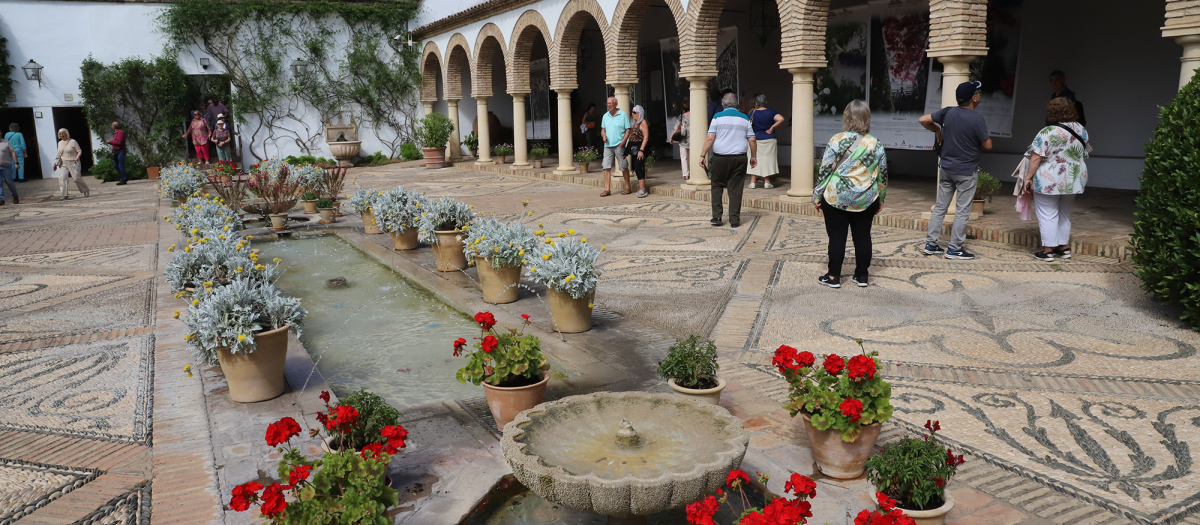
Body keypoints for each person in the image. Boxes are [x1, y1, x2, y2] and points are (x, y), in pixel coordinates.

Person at [813, 100, 888, 288]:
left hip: (836, 197)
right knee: (863, 237)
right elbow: (883, 174)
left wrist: (817, 194)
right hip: (866, 198)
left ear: (847, 117)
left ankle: (833, 277)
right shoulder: (876, 144)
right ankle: (862, 276)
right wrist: (881, 198)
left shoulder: (836, 140)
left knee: (837, 237)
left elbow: (825, 170)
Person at [917, 80, 992, 260]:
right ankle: (954, 249)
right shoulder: (977, 119)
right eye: (978, 93)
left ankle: (931, 245)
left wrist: (937, 130)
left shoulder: (947, 112)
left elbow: (923, 119)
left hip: (946, 169)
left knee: (940, 208)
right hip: (966, 171)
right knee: (962, 210)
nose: (980, 95)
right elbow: (987, 145)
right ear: (974, 98)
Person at [1026, 97, 1090, 261]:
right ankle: (1064, 248)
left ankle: (1048, 250)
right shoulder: (1082, 130)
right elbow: (1084, 153)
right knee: (1065, 213)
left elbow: (1036, 158)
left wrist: (1028, 177)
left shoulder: (1047, 132)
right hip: (1075, 177)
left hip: (1050, 178)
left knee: (1047, 212)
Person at [699, 92, 756, 227]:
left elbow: (709, 138)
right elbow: (752, 139)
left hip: (720, 159)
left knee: (717, 185)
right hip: (739, 158)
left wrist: (702, 155)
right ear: (736, 104)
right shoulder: (744, 118)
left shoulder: (717, 117)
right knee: (736, 188)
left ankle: (717, 217)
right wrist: (754, 156)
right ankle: (734, 220)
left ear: (723, 104)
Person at [746, 94, 784, 189]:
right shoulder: (771, 112)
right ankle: (767, 182)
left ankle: (752, 182)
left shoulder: (752, 113)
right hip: (769, 139)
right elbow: (781, 119)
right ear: (766, 102)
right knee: (767, 160)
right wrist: (772, 128)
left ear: (756, 104)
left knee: (754, 159)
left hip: (755, 139)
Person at [599, 96, 632, 197]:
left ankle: (627, 187)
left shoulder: (623, 115)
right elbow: (602, 129)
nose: (609, 105)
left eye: (611, 103)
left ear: (616, 104)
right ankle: (607, 189)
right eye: (608, 103)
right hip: (607, 145)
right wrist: (603, 136)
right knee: (606, 166)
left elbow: (628, 130)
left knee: (623, 166)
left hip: (619, 144)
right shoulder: (605, 116)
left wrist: (623, 142)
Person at [55, 128, 89, 200]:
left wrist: (77, 157)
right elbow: (58, 154)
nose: (61, 135)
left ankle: (85, 189)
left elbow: (79, 151)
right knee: (62, 178)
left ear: (66, 133)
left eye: (63, 133)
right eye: (60, 134)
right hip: (63, 163)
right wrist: (55, 164)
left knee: (76, 178)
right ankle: (64, 195)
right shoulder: (59, 143)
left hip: (72, 162)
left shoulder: (73, 141)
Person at [626, 105, 651, 198]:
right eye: (632, 112)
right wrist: (626, 151)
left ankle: (642, 189)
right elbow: (631, 139)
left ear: (639, 113)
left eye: (634, 112)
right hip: (634, 149)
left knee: (638, 166)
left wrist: (641, 150)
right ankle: (641, 187)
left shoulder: (643, 122)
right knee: (635, 166)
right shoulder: (634, 123)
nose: (633, 114)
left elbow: (646, 137)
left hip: (641, 148)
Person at [669, 101, 691, 180]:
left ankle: (686, 175)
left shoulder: (681, 116)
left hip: (683, 140)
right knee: (691, 158)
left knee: (683, 157)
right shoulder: (695, 115)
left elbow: (676, 127)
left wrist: (671, 137)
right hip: (693, 141)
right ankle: (692, 172)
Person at [0, 135, 19, 204]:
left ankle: (15, 196)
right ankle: (1, 199)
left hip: (6, 166)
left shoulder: (6, 142)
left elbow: (13, 152)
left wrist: (16, 163)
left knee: (10, 182)